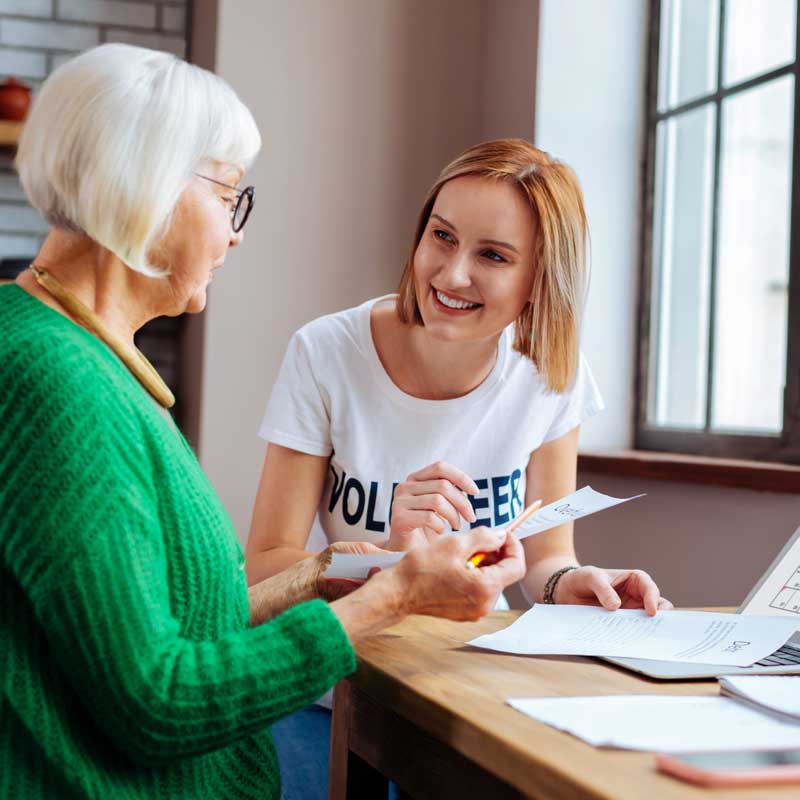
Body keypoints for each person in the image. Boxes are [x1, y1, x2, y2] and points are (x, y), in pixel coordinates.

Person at [0, 44, 527, 800]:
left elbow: (167, 624)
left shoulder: (72, 355)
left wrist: (329, 569)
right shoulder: (54, 381)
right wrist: (394, 596)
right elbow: (156, 701)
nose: (235, 232)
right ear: (150, 188)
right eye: (228, 196)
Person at [247, 138, 673, 798]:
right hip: (330, 691)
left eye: (493, 256)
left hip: (466, 687)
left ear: (540, 278)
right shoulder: (326, 353)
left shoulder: (548, 377)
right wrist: (387, 554)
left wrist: (576, 583)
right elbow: (266, 566)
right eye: (441, 238)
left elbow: (542, 558)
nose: (450, 274)